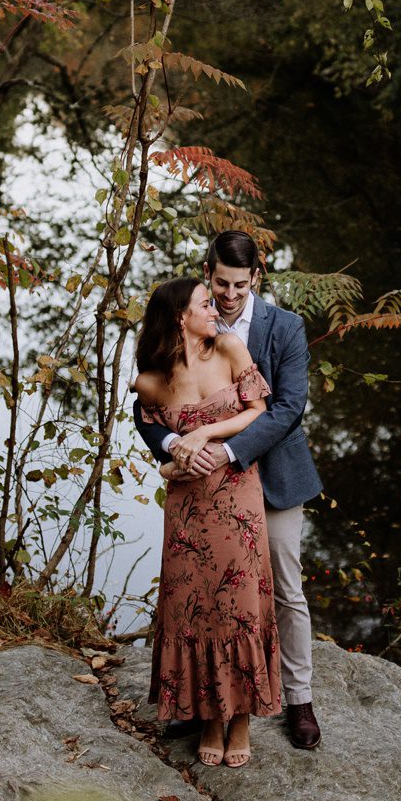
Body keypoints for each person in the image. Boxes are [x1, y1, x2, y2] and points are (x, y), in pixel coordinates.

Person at [135, 230, 325, 750]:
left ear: (256, 278)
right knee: (203, 595)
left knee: (285, 592)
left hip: (274, 479)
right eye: (220, 283)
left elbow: (286, 410)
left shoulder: (284, 328)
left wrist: (228, 450)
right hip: (203, 488)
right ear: (208, 273)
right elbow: (148, 406)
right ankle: (205, 703)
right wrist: (175, 443)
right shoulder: (189, 318)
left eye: (241, 284)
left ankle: (298, 699)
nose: (229, 294)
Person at [134, 276, 281, 768]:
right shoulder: (151, 380)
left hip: (236, 493)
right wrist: (173, 457)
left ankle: (240, 721)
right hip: (187, 505)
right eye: (204, 301)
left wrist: (208, 438)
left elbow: (258, 411)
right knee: (192, 607)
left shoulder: (231, 349)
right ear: (180, 316)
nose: (215, 306)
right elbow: (153, 435)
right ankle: (210, 719)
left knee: (239, 603)